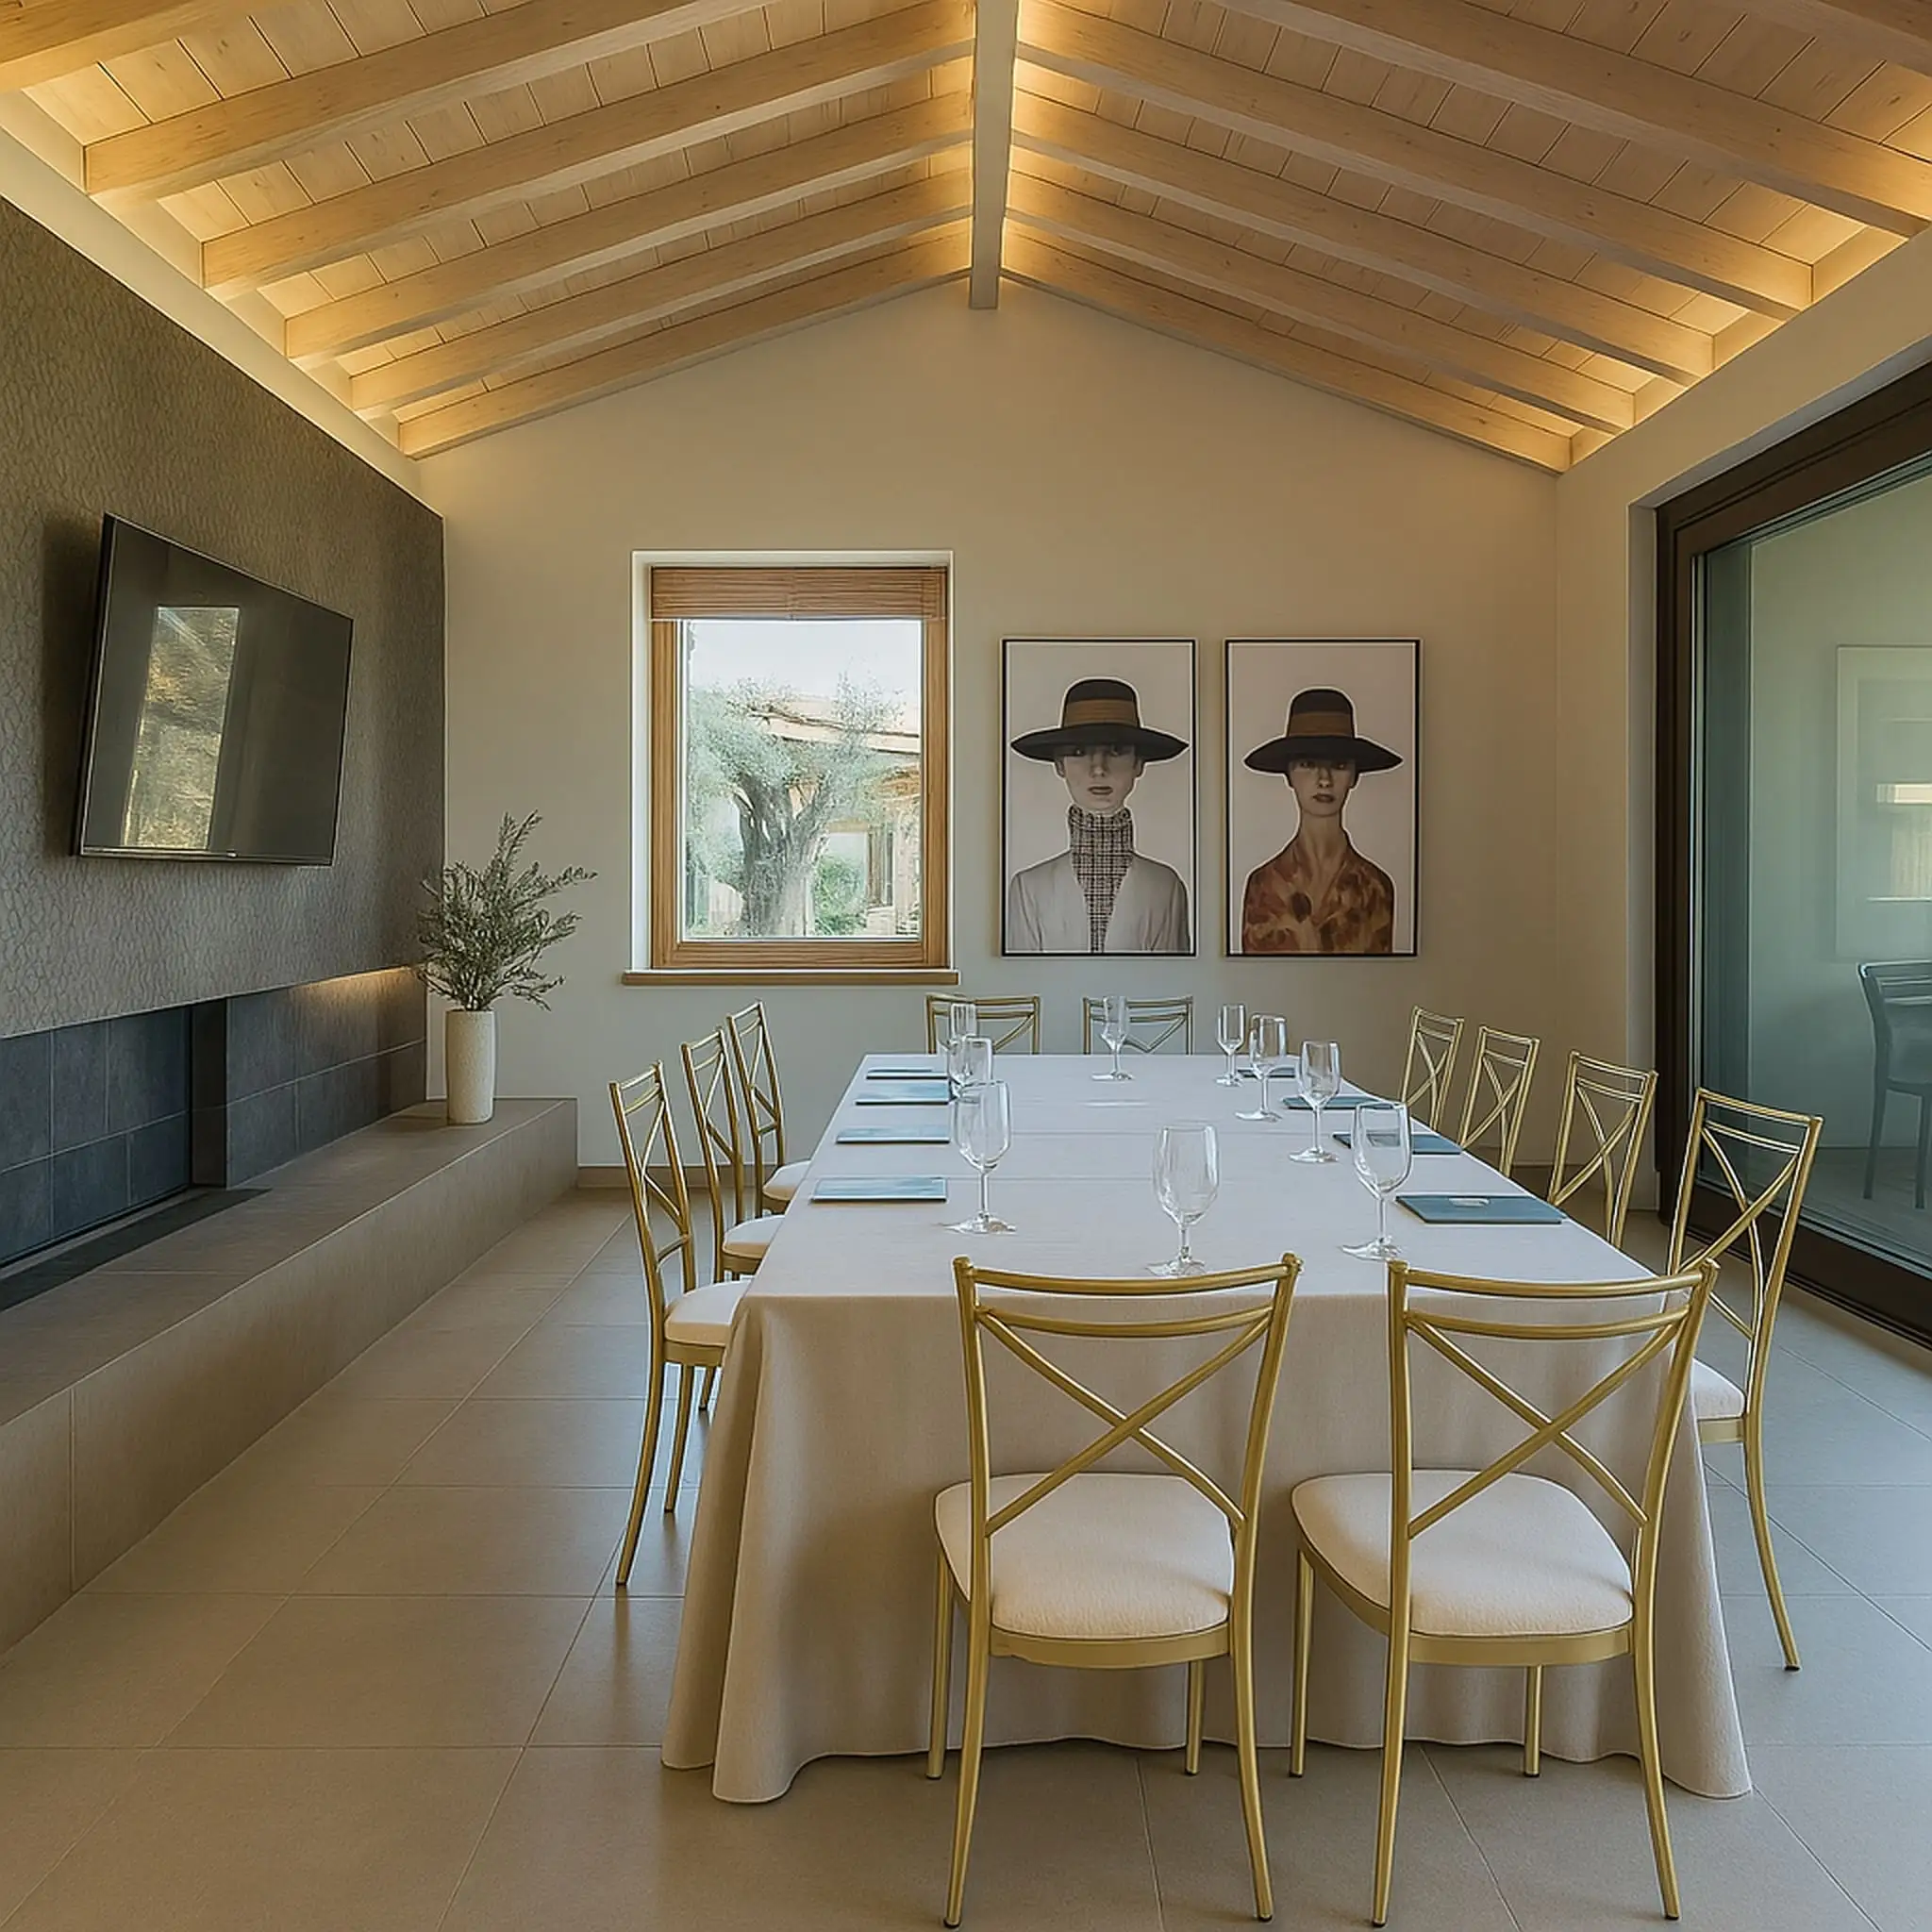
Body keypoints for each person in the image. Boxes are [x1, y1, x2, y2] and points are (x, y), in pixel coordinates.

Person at [1006, 676, 1191, 954]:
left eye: (1116, 751)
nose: (1098, 769)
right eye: (1079, 752)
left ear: (1138, 764)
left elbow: (1175, 975)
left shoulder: (1165, 886)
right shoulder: (1029, 888)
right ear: (1060, 765)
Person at [1240, 687, 1400, 955]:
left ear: (1354, 776)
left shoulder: (1375, 888)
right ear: (1289, 775)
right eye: (1308, 764)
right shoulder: (1264, 886)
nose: (1324, 779)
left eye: (1339, 766)